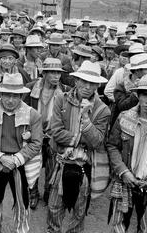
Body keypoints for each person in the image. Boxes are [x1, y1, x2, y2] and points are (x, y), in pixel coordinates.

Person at [47, 60, 110, 233]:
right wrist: (80, 139)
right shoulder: (62, 98)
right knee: (54, 207)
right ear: (76, 81)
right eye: (84, 81)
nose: (87, 86)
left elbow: (97, 142)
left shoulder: (102, 110)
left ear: (97, 85)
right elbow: (55, 132)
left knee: (79, 211)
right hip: (61, 163)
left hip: (83, 167)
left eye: (92, 83)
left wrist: (87, 120)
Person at [0, 73, 43, 233]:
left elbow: (36, 143)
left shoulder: (32, 114)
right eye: (7, 95)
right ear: (0, 93)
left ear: (21, 95)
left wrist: (15, 160)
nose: (11, 100)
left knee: (22, 199)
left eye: (15, 95)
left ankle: (21, 228)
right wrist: (0, 157)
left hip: (20, 162)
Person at [107, 73, 147, 233]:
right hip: (125, 182)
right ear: (138, 96)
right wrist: (123, 171)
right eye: (145, 95)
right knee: (119, 226)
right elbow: (112, 146)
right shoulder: (125, 117)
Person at [23, 58, 67, 209]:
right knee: (32, 165)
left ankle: (49, 193)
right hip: (34, 134)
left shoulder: (64, 91)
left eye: (58, 73)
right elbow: (22, 108)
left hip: (53, 135)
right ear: (45, 73)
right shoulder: (30, 88)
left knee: (52, 166)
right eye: (53, 73)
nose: (56, 76)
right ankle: (33, 193)